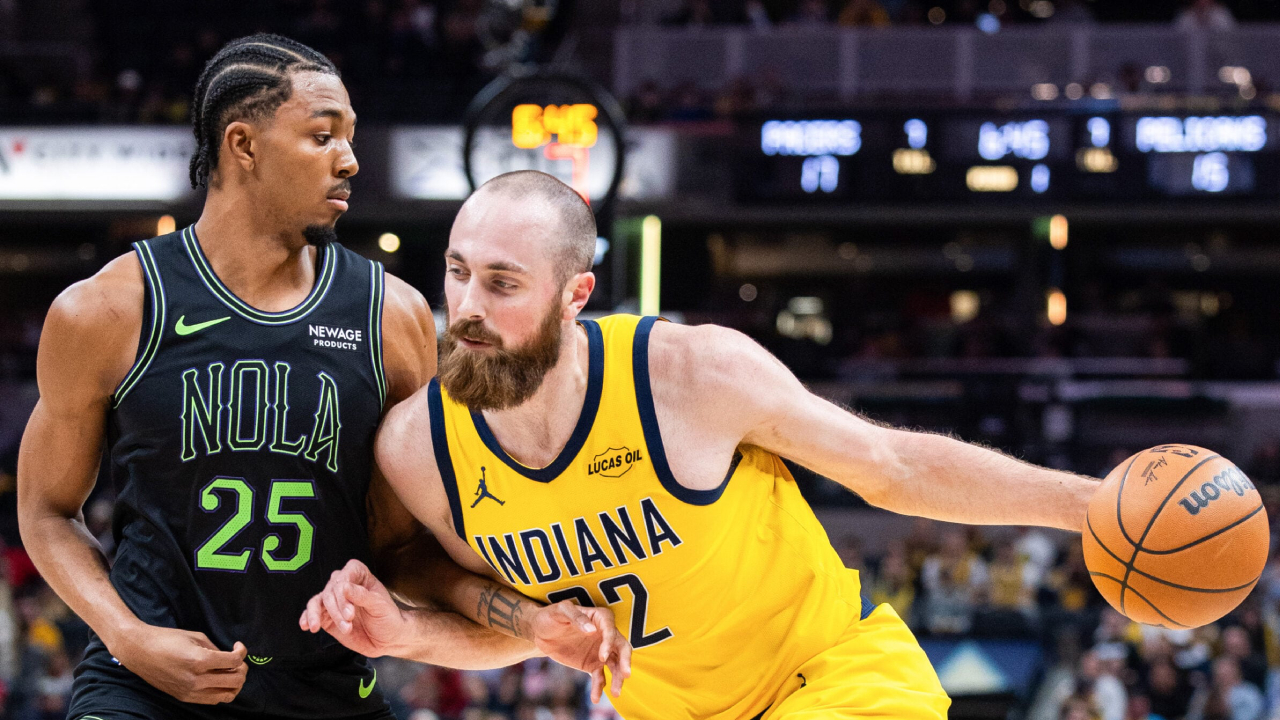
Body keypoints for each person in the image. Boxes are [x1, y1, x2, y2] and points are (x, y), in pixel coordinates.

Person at [306, 170, 1102, 718]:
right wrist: (411, 634)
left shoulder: (688, 376)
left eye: (503, 282)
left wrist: (1090, 503)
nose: (468, 307)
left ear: (574, 296)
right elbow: (517, 631)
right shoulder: (419, 454)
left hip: (834, 679)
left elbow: (891, 466)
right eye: (457, 272)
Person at [17, 36, 625, 720]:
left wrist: (524, 620)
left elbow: (403, 548)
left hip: (323, 686)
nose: (350, 160)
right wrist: (126, 635)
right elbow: (45, 509)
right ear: (242, 145)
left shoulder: (389, 317)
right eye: (323, 135)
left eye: (351, 137)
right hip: (143, 684)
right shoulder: (107, 309)